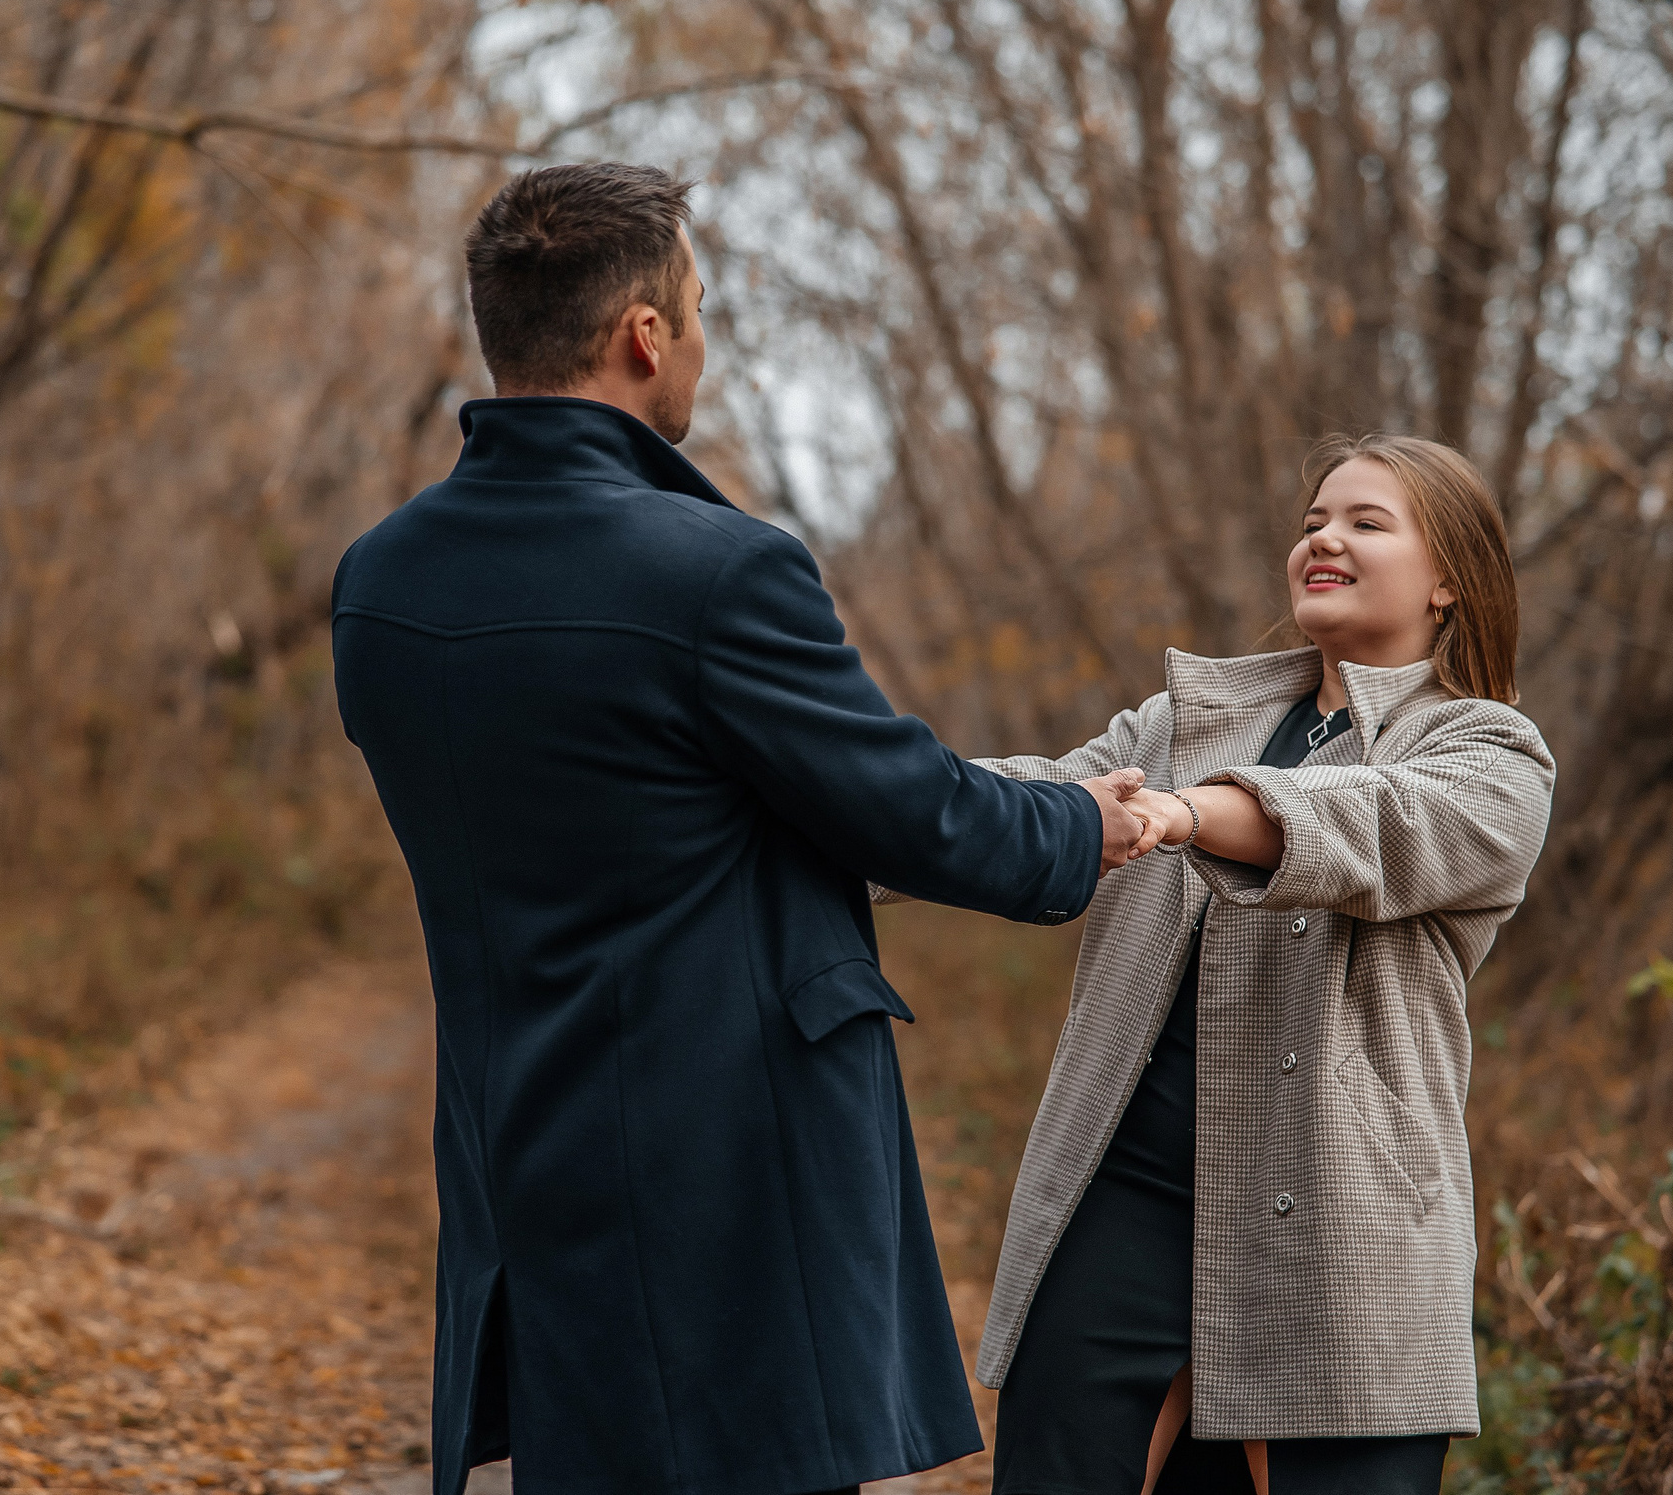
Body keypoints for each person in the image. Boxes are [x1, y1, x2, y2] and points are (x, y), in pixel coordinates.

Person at [330, 162, 1158, 1495]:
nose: (703, 341)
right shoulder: (715, 572)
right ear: (645, 335)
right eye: (699, 308)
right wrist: (1076, 821)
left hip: (516, 1148)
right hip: (730, 1177)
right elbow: (912, 810)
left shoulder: (379, 584)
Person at [971, 435, 1556, 1495]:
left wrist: (1182, 810)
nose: (1323, 537)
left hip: (1344, 1229)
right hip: (1122, 1197)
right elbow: (1023, 794)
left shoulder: (1491, 755)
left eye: (1366, 522)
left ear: (1448, 581)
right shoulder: (1179, 719)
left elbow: (1369, 817)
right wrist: (842, 788)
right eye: (1311, 523)